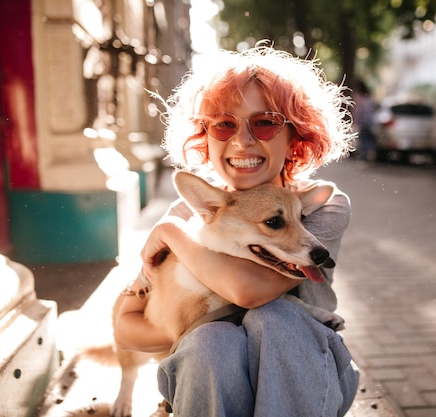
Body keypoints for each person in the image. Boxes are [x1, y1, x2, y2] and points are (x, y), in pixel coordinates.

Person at [113, 42, 359, 416]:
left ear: (295, 136)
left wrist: (171, 235)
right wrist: (185, 326)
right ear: (206, 139)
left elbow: (249, 292)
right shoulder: (193, 207)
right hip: (210, 379)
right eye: (224, 124)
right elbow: (125, 327)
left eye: (264, 122)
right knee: (211, 340)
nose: (242, 140)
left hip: (308, 376)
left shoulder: (321, 204)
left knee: (276, 318)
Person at [352, 79, 376, 161]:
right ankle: (370, 153)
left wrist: (356, 120)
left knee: (363, 139)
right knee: (367, 138)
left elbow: (358, 110)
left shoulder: (359, 97)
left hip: (362, 121)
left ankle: (364, 157)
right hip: (369, 121)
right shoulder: (368, 97)